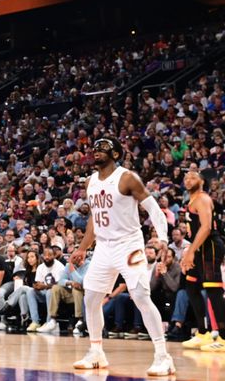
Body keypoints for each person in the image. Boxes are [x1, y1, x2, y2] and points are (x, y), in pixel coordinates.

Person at [69, 137, 174, 376]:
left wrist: (164, 239)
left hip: (129, 245)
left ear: (116, 154)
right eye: (95, 147)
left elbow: (154, 209)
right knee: (91, 298)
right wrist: (84, 247)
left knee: (140, 295)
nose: (97, 150)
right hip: (104, 247)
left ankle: (163, 356)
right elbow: (95, 218)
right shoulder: (91, 181)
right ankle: (96, 353)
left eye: (104, 147)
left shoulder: (127, 178)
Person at [179, 170, 225, 352]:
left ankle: (222, 336)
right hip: (198, 248)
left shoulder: (203, 198)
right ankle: (203, 332)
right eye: (186, 177)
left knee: (213, 291)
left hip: (211, 246)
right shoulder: (189, 200)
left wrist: (190, 251)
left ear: (202, 181)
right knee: (190, 286)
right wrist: (188, 252)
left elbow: (206, 228)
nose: (188, 180)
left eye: (193, 177)